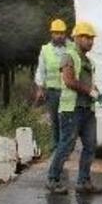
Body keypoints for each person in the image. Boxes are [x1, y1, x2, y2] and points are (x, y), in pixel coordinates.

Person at [46, 22, 102, 195]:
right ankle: (52, 179)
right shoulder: (69, 56)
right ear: (77, 38)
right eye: (86, 37)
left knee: (90, 146)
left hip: (87, 109)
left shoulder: (89, 61)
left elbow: (88, 84)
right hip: (71, 109)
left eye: (92, 38)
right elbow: (69, 81)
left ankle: (83, 181)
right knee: (66, 146)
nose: (90, 41)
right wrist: (90, 91)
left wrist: (97, 93)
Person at [33, 19, 74, 152]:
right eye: (56, 33)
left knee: (67, 119)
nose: (59, 36)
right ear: (52, 34)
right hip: (53, 92)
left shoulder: (72, 47)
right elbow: (41, 70)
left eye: (61, 33)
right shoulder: (45, 50)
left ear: (65, 33)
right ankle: (56, 145)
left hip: (69, 91)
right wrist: (40, 88)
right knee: (55, 119)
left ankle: (66, 146)